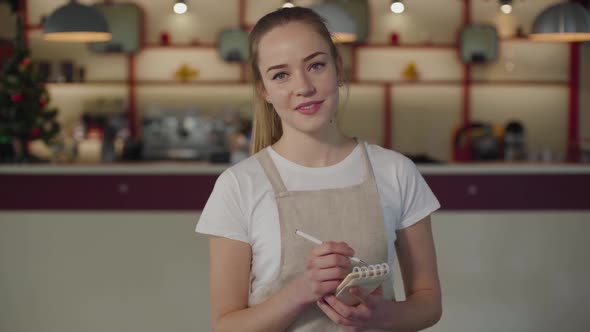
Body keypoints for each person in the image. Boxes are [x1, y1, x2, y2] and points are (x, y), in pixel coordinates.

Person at [196, 6, 441, 332]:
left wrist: (379, 317)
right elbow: (225, 326)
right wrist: (299, 293)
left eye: (316, 65)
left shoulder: (397, 172)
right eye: (280, 74)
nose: (303, 86)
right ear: (264, 90)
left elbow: (429, 304)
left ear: (338, 69)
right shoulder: (239, 186)